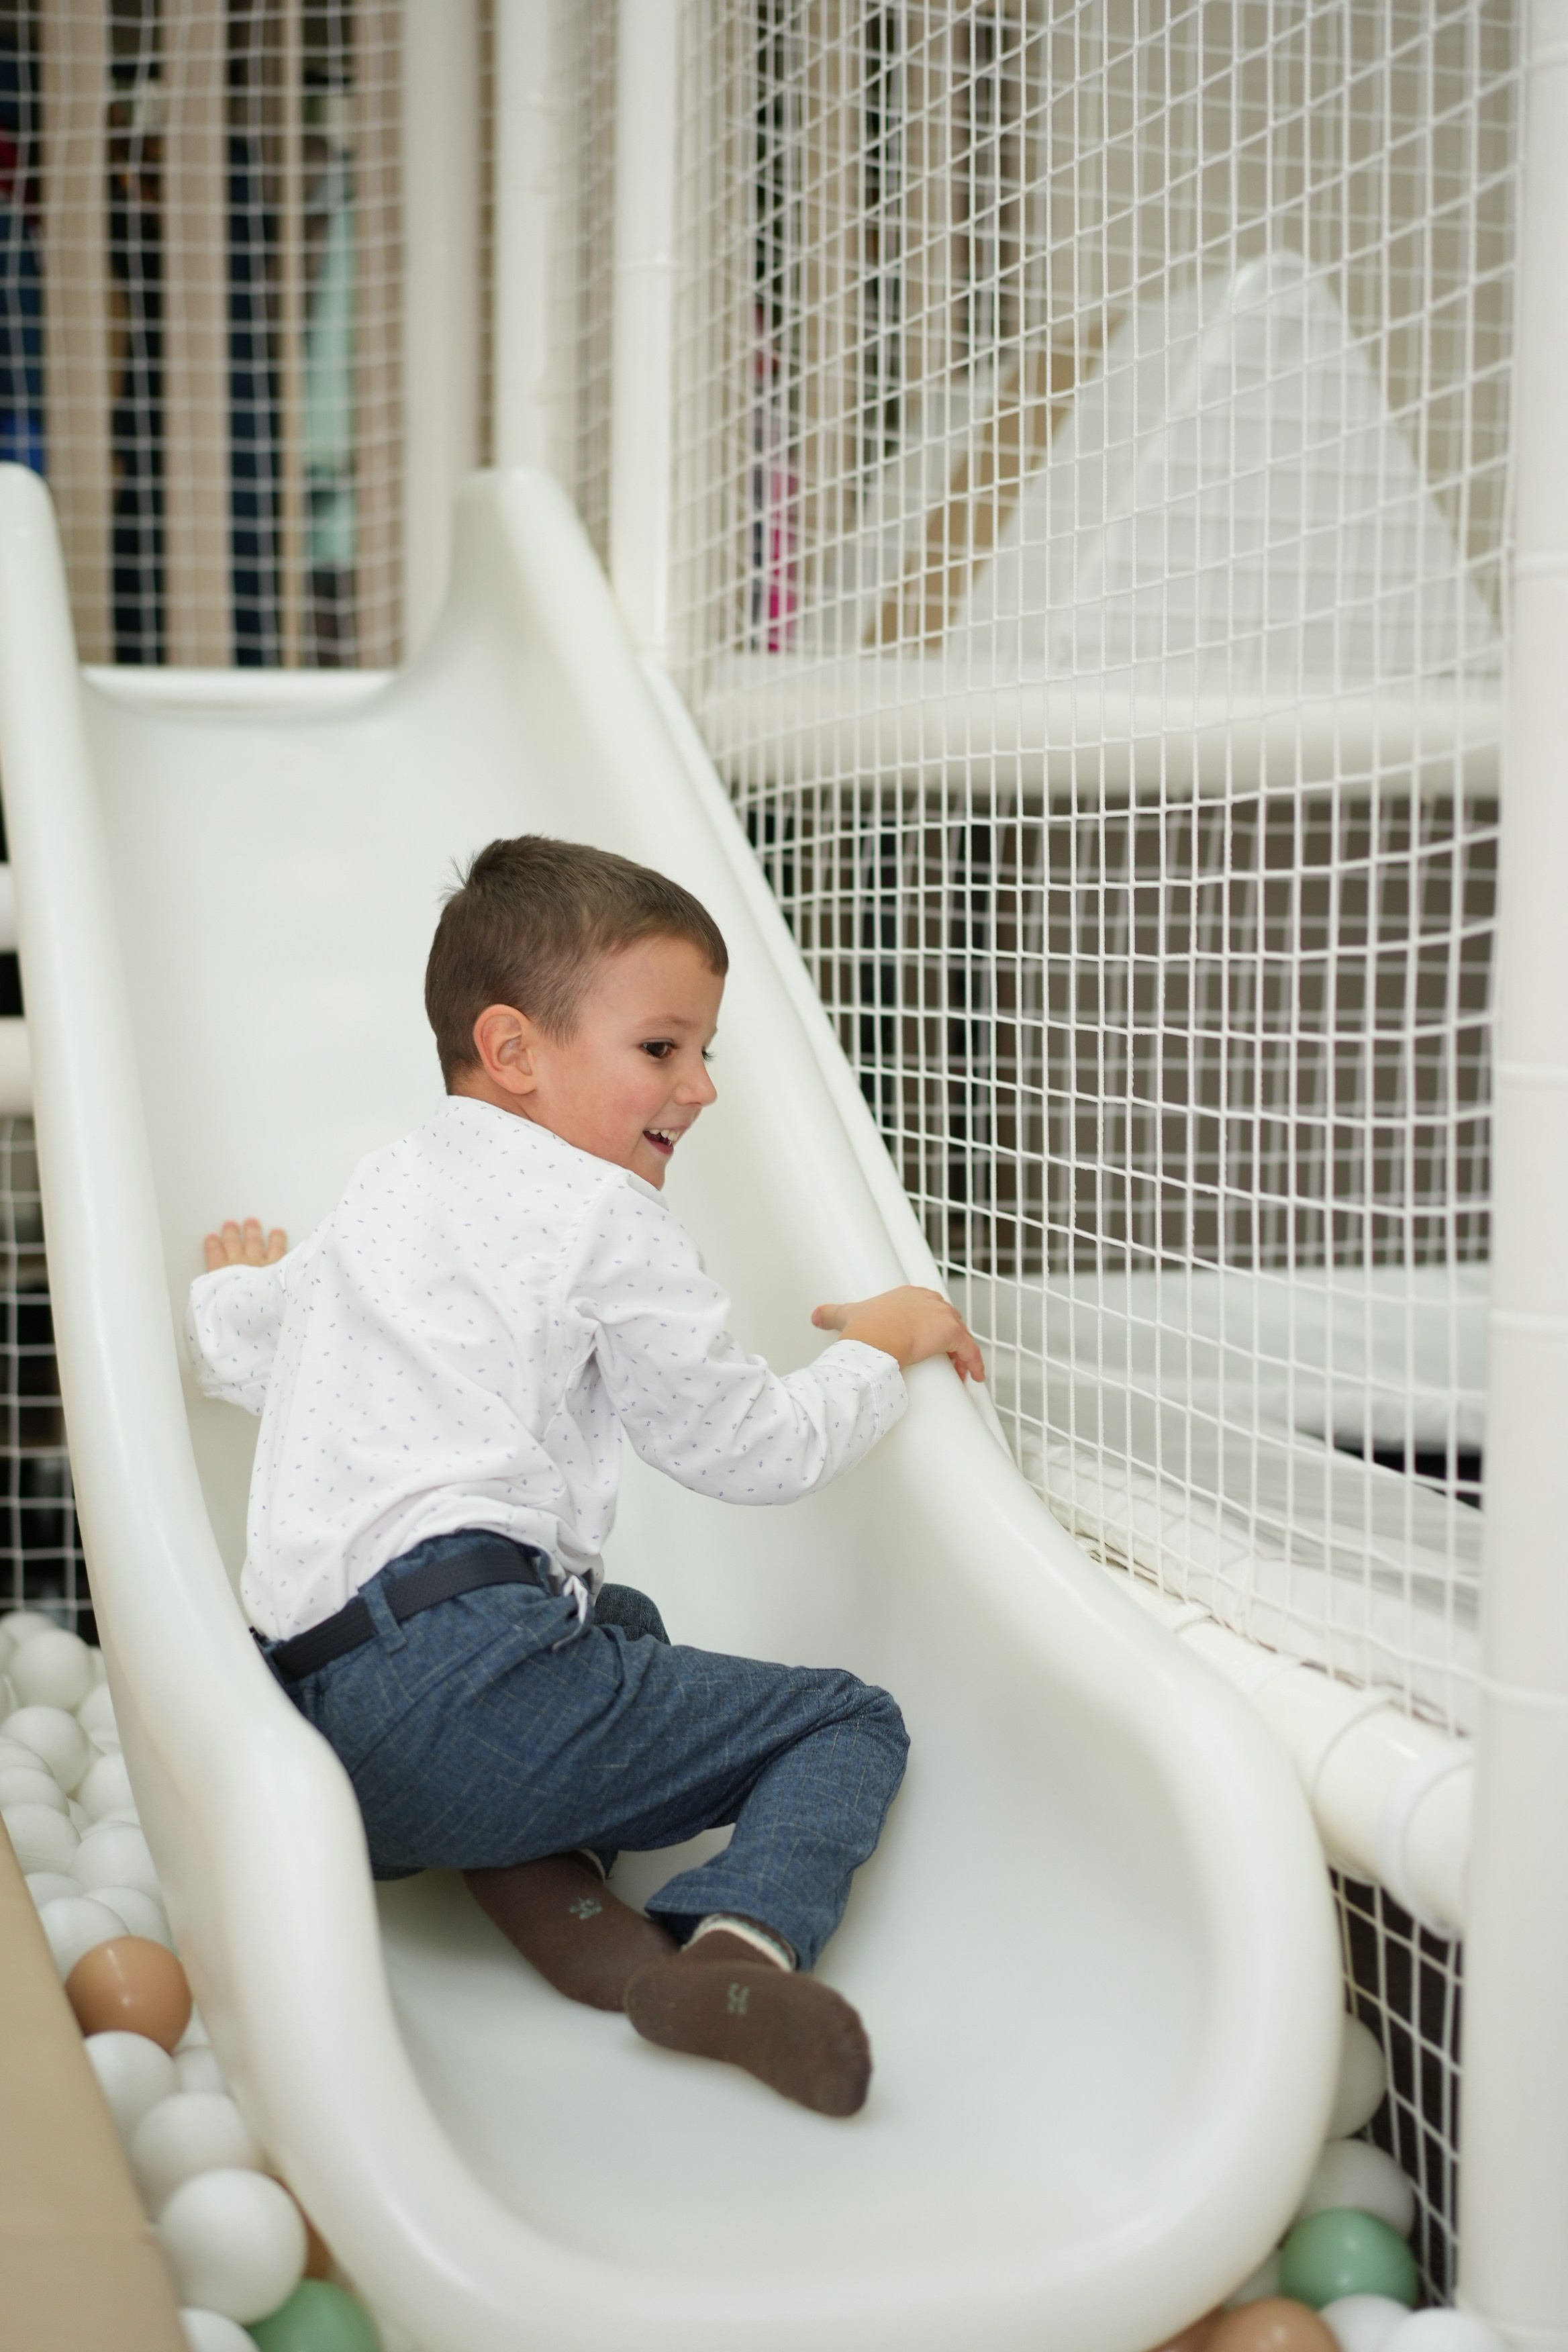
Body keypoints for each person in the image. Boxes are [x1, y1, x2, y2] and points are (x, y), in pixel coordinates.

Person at [187, 836, 983, 2118]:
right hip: (469, 1678)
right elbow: (753, 1448)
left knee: (621, 1627)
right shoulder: (606, 1215)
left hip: (312, 1728)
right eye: (664, 1050)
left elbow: (239, 1349)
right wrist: (885, 1354)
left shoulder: (387, 1187)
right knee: (847, 1720)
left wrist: (233, 1275)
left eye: (706, 1051)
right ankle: (739, 1944)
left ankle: (588, 1941)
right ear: (513, 1053)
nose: (703, 1088)